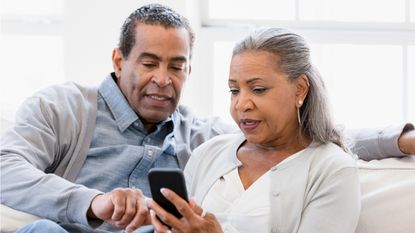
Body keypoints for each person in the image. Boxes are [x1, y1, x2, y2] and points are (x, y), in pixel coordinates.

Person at [0, 3, 413, 233]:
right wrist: (92, 201)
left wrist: (399, 139)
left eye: (177, 66)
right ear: (118, 59)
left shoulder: (202, 137)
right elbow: (5, 168)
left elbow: (296, 138)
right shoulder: (64, 107)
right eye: (149, 63)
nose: (163, 80)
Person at [146, 27, 410, 233]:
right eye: (234, 90)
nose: (241, 104)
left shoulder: (331, 169)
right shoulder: (209, 153)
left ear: (300, 89)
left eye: (258, 89)